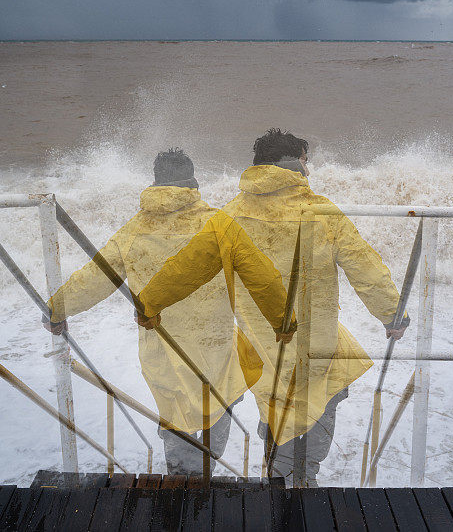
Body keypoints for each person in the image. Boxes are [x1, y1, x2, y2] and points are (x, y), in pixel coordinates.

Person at [45, 148, 290, 475]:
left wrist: (57, 309)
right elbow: (261, 279)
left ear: (156, 183)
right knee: (221, 405)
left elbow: (96, 276)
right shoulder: (219, 225)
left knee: (175, 413)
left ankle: (178, 480)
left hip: (161, 350)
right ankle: (205, 473)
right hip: (216, 347)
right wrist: (282, 323)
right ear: (194, 183)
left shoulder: (133, 230)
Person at [222, 128, 409, 485]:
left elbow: (199, 275)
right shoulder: (321, 211)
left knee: (276, 402)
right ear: (297, 165)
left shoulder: (228, 217)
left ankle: (278, 475)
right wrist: (392, 314)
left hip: (262, 343)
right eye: (306, 163)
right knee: (325, 395)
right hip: (316, 340)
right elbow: (363, 265)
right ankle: (302, 477)